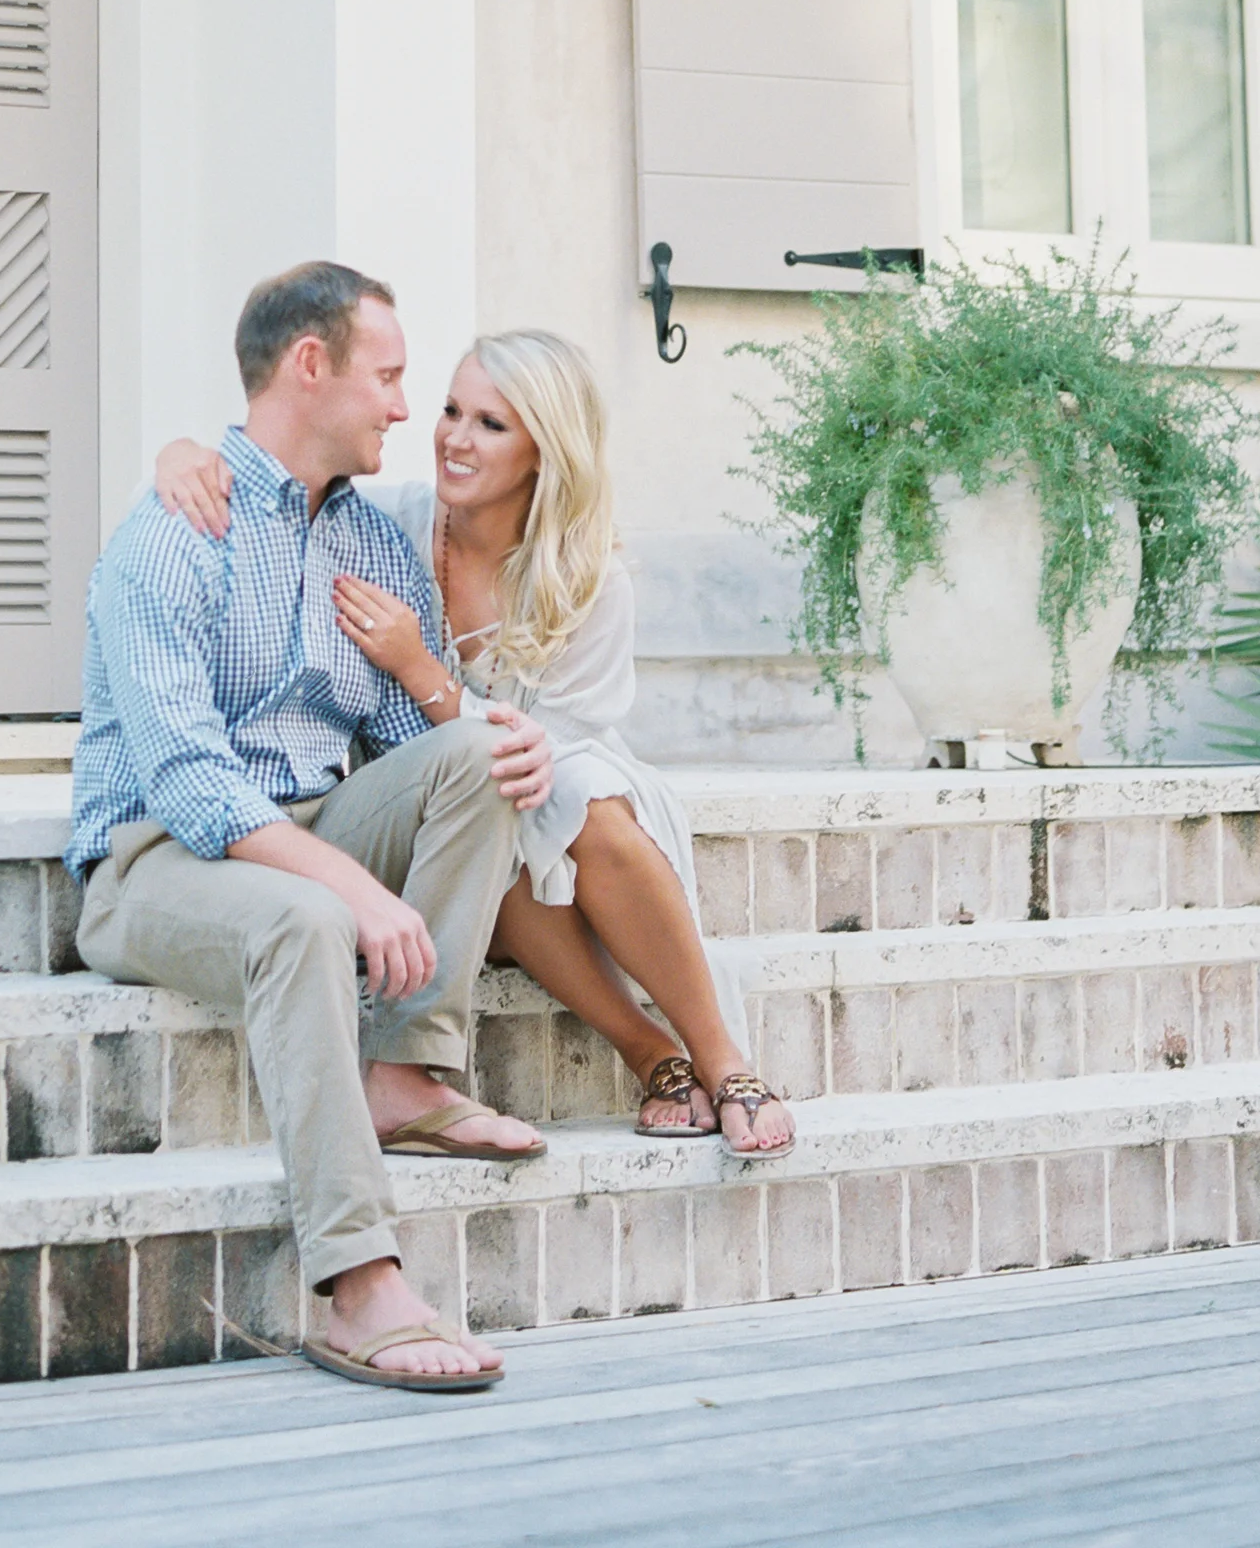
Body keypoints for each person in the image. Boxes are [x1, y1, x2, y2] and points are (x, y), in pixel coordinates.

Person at [68, 260, 554, 1396]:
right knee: (300, 919)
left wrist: (485, 726)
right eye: (387, 377)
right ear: (309, 366)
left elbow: (411, 741)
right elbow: (190, 787)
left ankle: (407, 1068)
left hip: (314, 819)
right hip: (155, 861)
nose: (403, 406)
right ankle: (358, 1284)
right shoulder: (170, 536)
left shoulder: (373, 546)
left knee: (479, 758)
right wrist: (354, 888)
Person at [154, 327, 795, 1156]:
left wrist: (422, 669)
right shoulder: (392, 528)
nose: (454, 437)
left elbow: (547, 753)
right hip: (439, 809)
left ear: (544, 449)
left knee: (573, 799)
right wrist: (178, 454)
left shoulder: (591, 581)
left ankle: (723, 1058)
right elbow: (276, 475)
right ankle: (646, 1047)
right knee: (498, 806)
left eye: (490, 425)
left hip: (559, 787)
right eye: (452, 410)